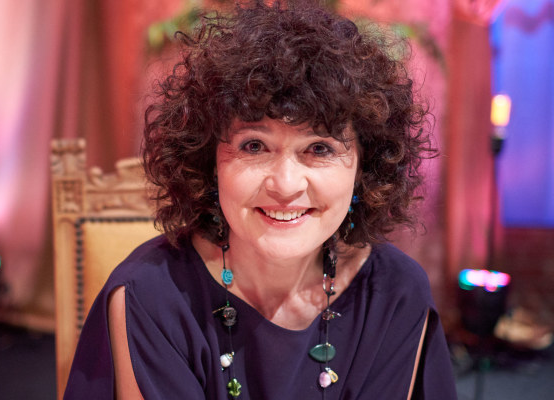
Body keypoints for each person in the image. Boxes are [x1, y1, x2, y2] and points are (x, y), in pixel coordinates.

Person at [64, 1, 457, 399]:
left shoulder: (394, 293)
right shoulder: (151, 296)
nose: (285, 185)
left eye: (319, 149)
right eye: (254, 146)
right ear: (208, 161)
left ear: (364, 167)